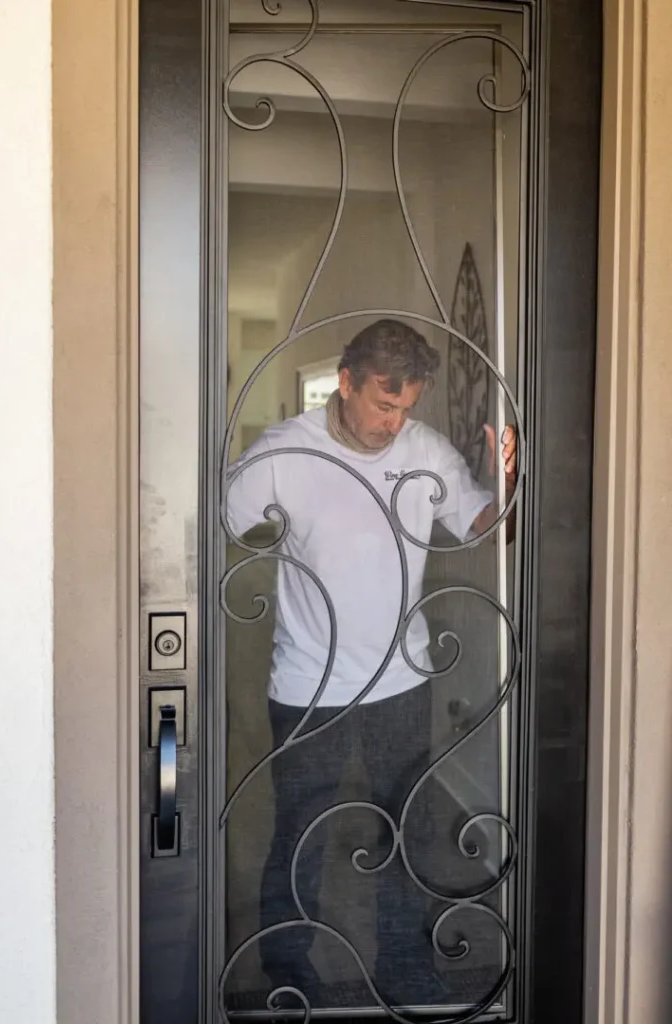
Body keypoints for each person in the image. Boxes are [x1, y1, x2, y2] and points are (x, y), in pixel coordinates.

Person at [226, 318, 517, 1008]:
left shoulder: (424, 449)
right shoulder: (285, 451)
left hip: (401, 676)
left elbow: (476, 521)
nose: (395, 423)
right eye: (384, 405)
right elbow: (214, 523)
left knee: (405, 829)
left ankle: (406, 968)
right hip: (309, 683)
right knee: (299, 828)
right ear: (346, 383)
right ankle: (285, 971)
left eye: (406, 407)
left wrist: (508, 485)